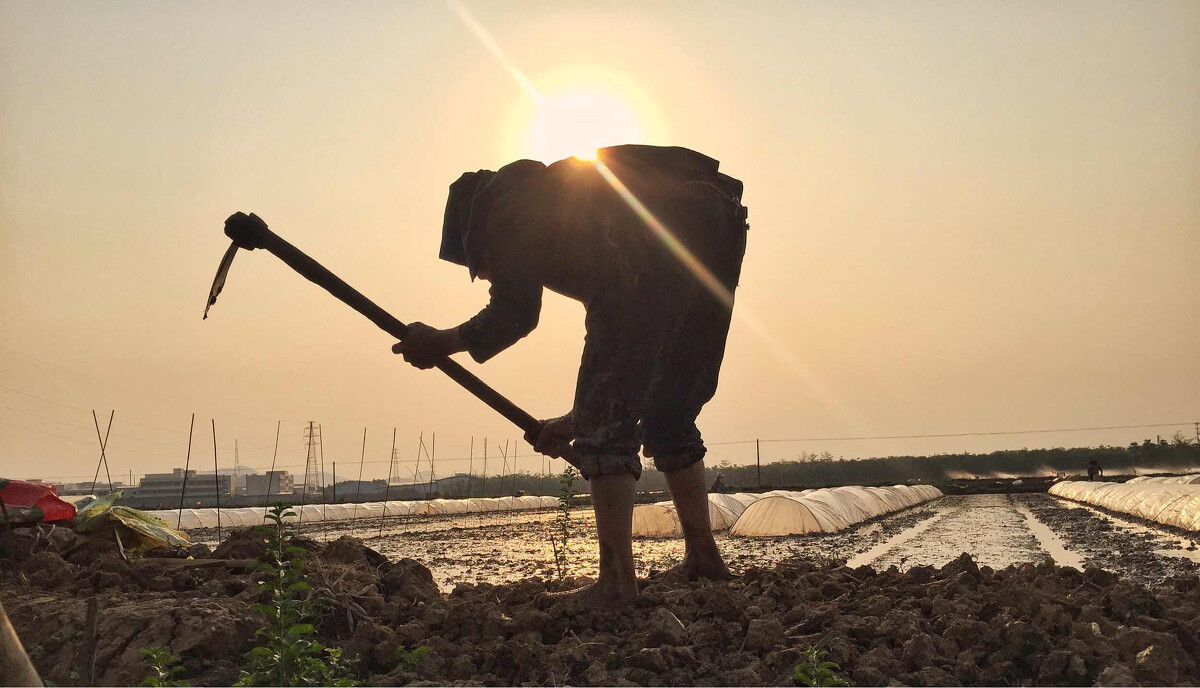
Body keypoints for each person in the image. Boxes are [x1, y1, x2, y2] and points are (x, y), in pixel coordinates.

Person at [393, 145, 748, 605]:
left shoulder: (503, 209)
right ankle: (704, 558)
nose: (481, 274)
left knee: (608, 429)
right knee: (670, 412)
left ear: (469, 232)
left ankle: (616, 583)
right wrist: (577, 419)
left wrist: (438, 342)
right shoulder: (556, 201)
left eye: (473, 265)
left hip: (648, 245)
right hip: (714, 225)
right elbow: (634, 358)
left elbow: (514, 314)